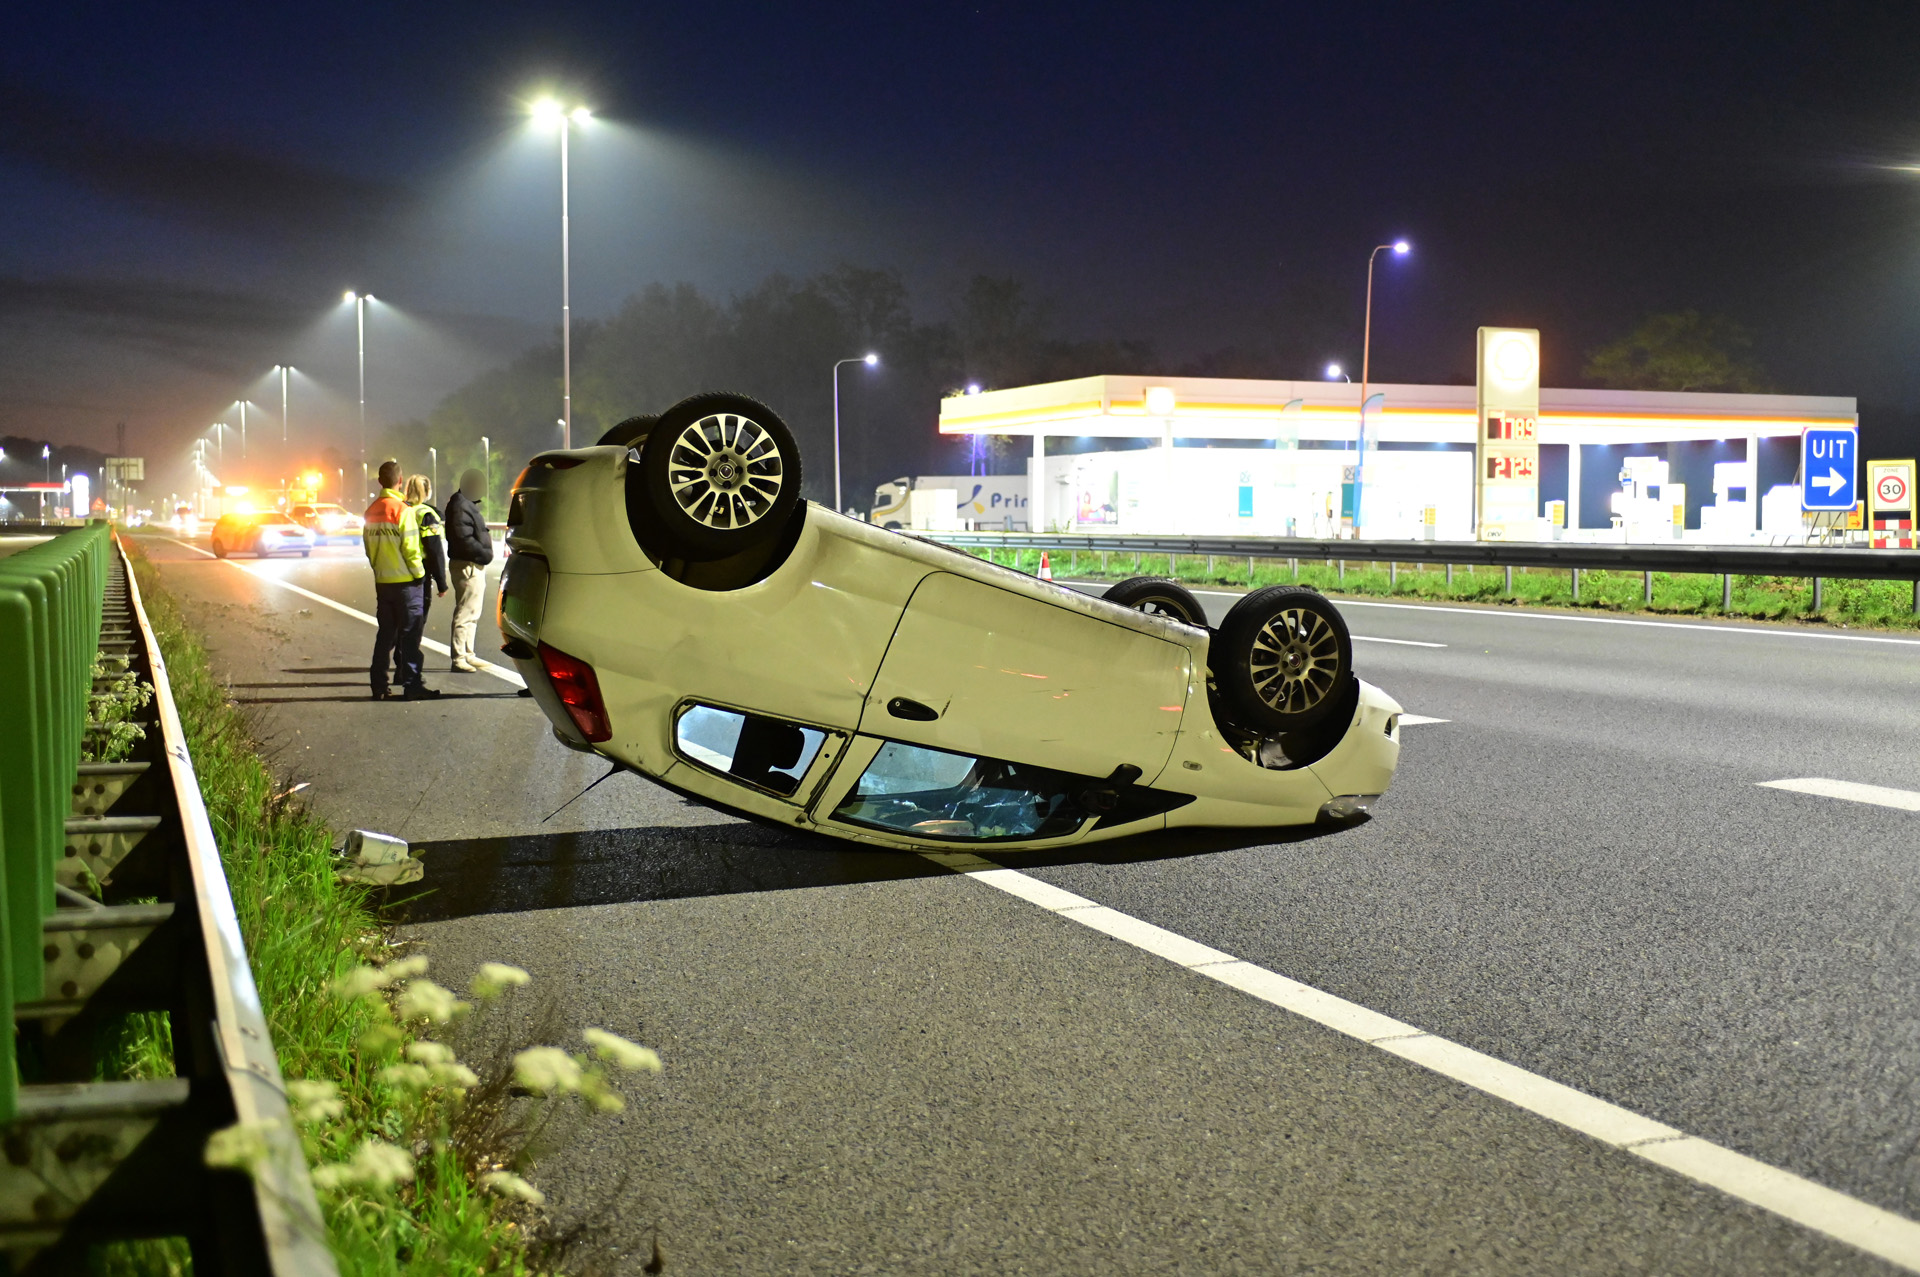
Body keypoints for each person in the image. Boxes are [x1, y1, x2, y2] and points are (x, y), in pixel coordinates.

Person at [363, 460, 440, 700]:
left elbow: (368, 549)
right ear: (400, 481)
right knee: (410, 637)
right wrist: (419, 575)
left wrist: (380, 569)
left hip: (383, 582)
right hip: (407, 584)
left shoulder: (371, 511)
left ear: (379, 481)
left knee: (385, 636)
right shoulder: (402, 510)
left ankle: (379, 686)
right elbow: (411, 549)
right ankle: (412, 685)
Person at [443, 467, 493, 671]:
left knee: (473, 611)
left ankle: (468, 654)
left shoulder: (464, 504)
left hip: (472, 563)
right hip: (468, 564)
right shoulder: (460, 506)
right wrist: (483, 553)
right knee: (465, 612)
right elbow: (463, 539)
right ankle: (459, 658)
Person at [404, 474, 448, 684]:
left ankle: (399, 669)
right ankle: (409, 674)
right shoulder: (426, 514)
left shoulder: (401, 510)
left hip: (398, 574)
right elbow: (435, 550)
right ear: (427, 491)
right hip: (420, 576)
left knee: (401, 626)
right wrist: (441, 582)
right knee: (415, 626)